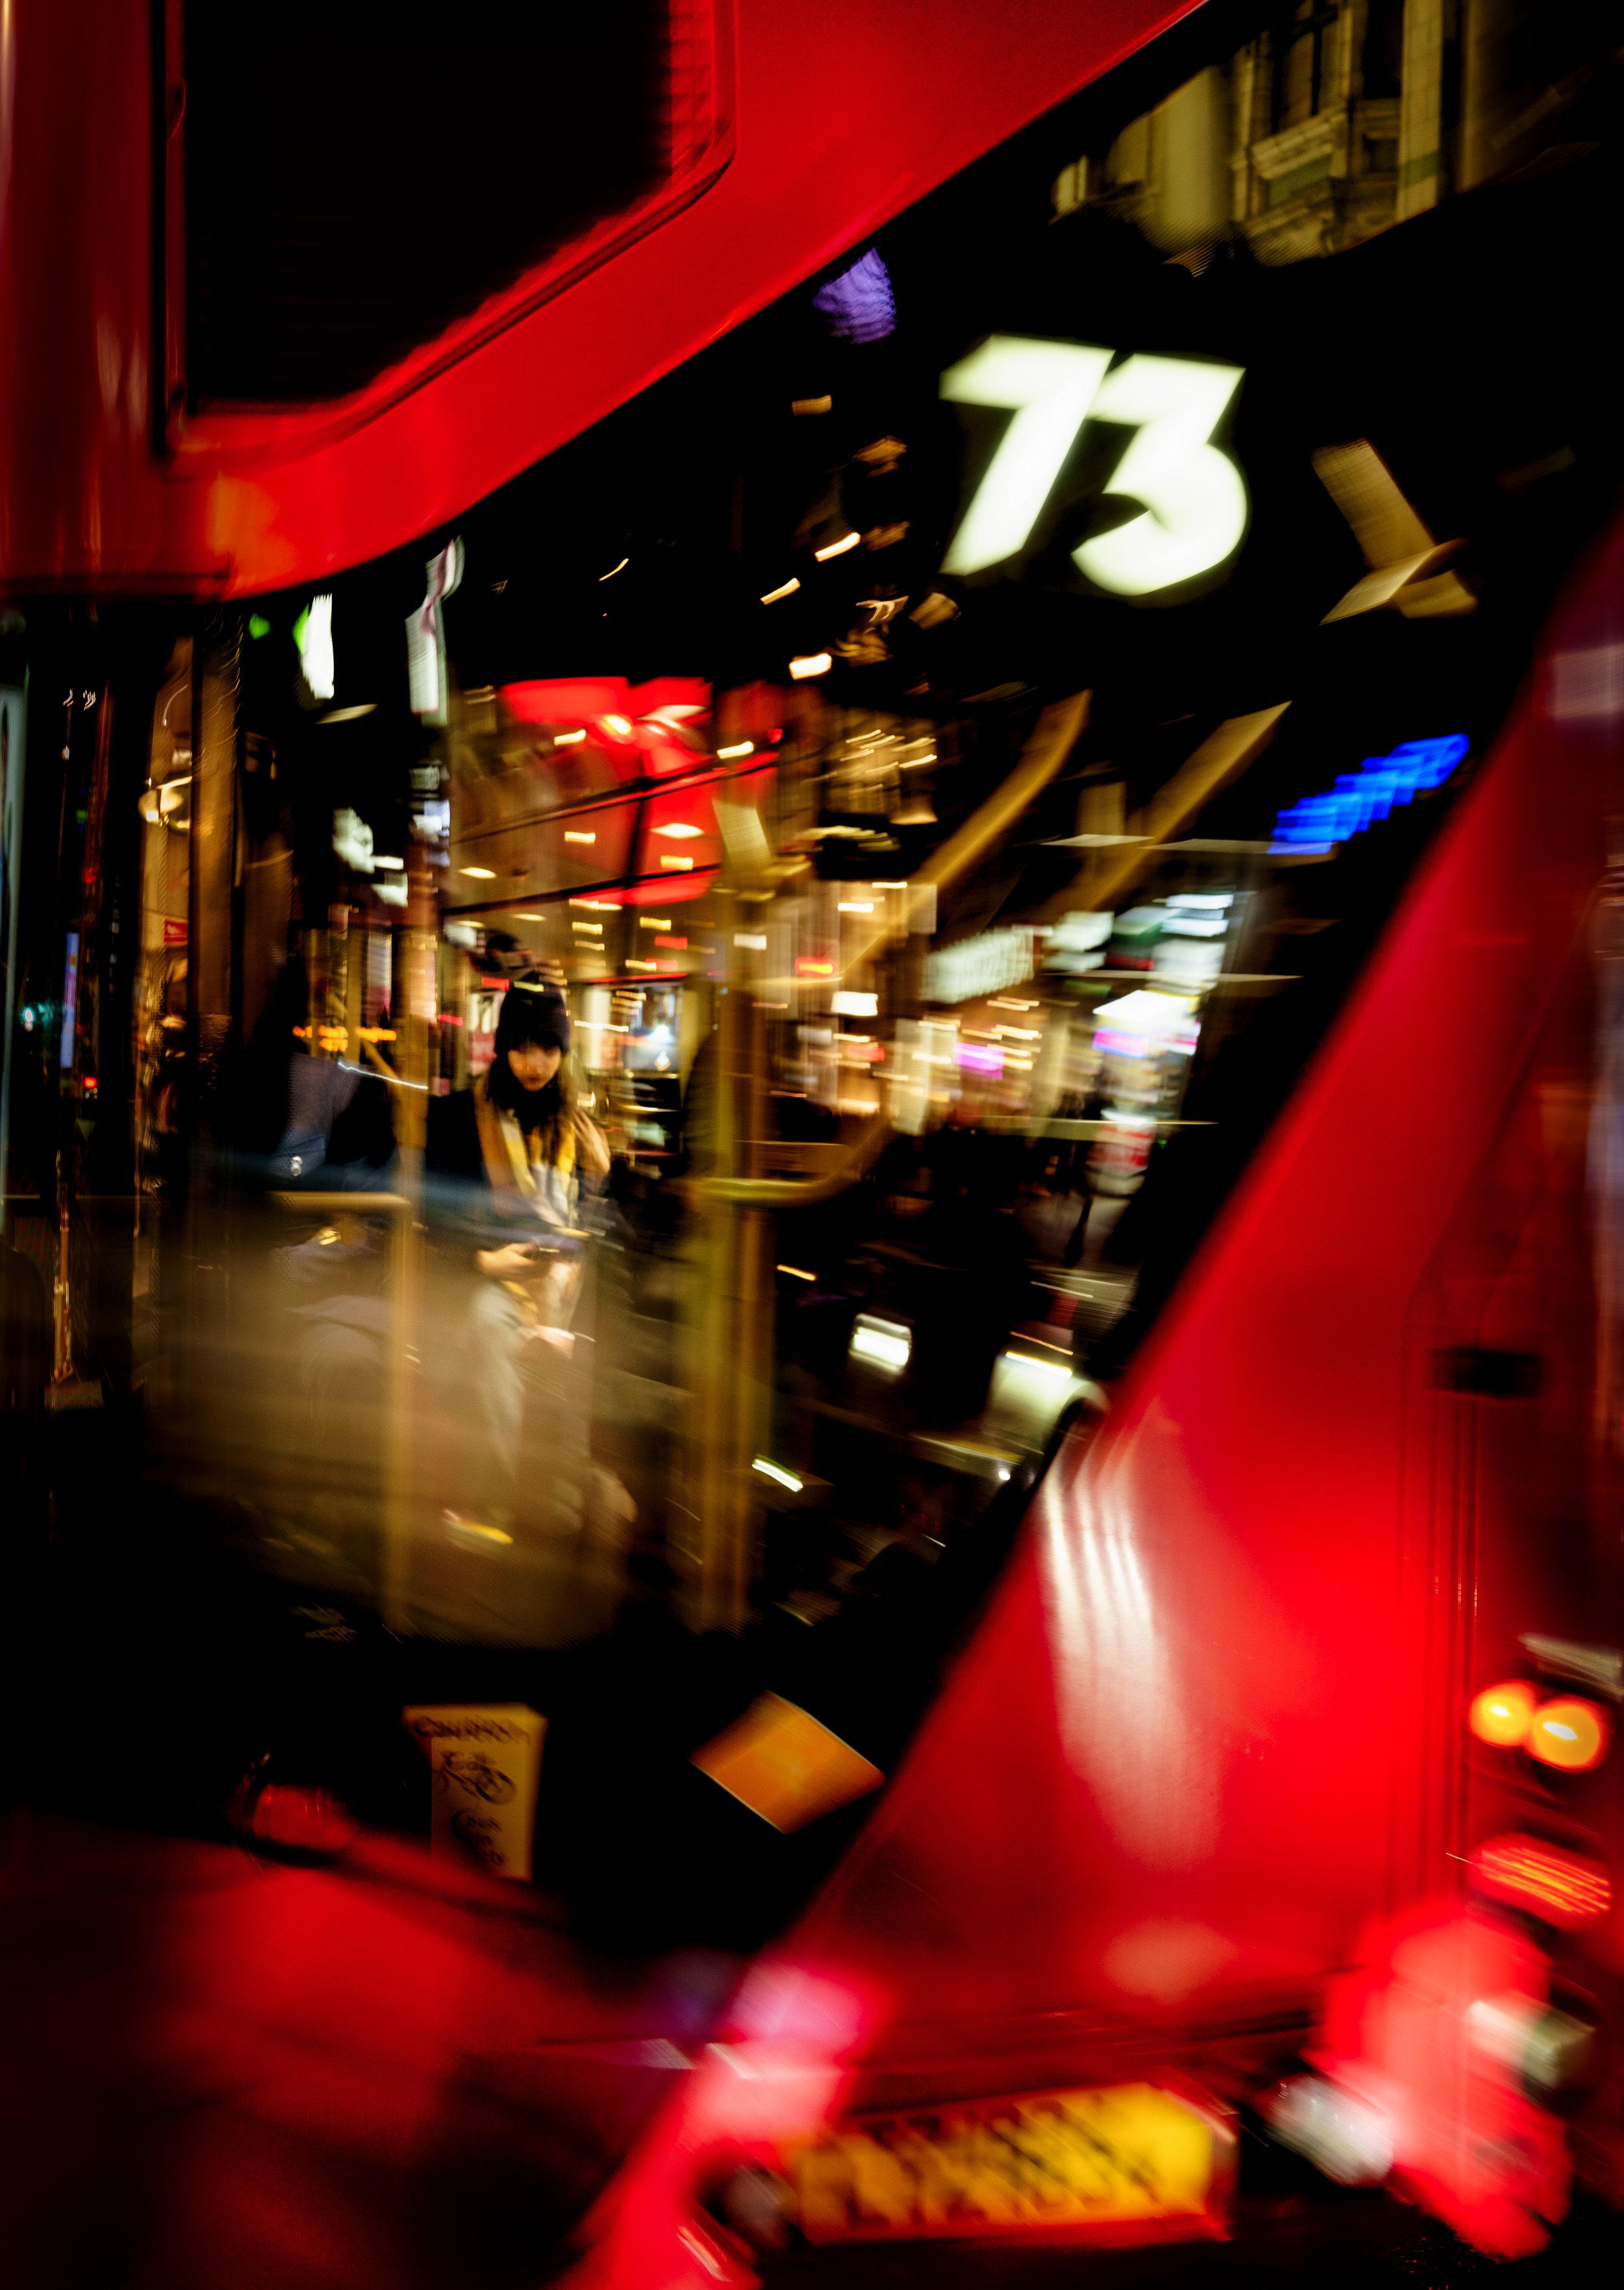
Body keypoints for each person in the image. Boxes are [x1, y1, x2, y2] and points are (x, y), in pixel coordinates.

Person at [427, 977, 611, 1542]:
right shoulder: (462, 1115)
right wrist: (485, 1262)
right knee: (488, 1322)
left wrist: (597, 1196)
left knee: (599, 1336)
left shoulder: (575, 1127)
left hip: (563, 1281)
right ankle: (495, 1499)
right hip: (489, 1275)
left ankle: (566, 1502)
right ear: (503, 1047)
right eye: (524, 1047)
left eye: (548, 1049)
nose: (535, 1064)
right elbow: (433, 1216)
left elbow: (597, 1222)